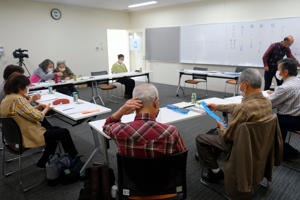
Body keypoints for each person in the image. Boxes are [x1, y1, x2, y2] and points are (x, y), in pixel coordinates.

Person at [195, 68, 272, 183]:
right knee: (216, 134)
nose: (239, 86)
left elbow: (228, 136)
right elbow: (239, 106)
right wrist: (218, 106)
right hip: (258, 143)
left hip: (240, 145)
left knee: (200, 138)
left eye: (240, 84)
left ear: (245, 84)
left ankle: (216, 172)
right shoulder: (266, 101)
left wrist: (221, 126)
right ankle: (211, 159)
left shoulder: (243, 109)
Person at [0, 74, 78, 168]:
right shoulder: (18, 99)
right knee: (64, 132)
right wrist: (46, 109)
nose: (27, 88)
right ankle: (74, 159)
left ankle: (44, 160)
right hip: (25, 136)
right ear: (20, 87)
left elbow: (20, 112)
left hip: (12, 138)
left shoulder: (7, 99)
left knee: (55, 130)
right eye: (27, 86)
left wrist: (36, 107)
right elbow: (39, 117)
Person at [102, 84, 186, 157]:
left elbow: (106, 126)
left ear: (132, 102)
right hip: (163, 174)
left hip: (131, 175)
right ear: (156, 103)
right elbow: (182, 155)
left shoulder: (118, 130)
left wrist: (121, 111)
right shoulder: (171, 132)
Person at [267, 58, 300, 161]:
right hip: (296, 117)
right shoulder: (297, 81)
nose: (277, 72)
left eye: (278, 69)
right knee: (278, 121)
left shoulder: (285, 88)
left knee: (264, 122)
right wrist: (276, 94)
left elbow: (267, 103)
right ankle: (281, 150)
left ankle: (289, 152)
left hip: (291, 120)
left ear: (285, 72)